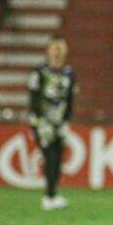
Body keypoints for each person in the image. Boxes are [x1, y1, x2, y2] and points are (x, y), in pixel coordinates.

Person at [28, 35, 77, 211]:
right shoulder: (40, 73)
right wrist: (37, 122)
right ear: (48, 51)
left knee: (58, 159)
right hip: (43, 123)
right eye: (55, 48)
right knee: (50, 157)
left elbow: (71, 99)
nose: (57, 52)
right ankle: (48, 197)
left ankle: (52, 194)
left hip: (60, 123)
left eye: (60, 48)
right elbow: (33, 98)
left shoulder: (69, 74)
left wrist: (66, 121)